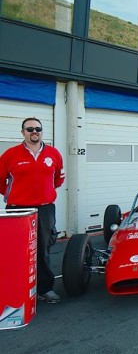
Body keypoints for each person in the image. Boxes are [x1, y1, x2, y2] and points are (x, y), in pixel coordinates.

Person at [0, 118, 65, 304]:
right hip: (17, 210)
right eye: (30, 129)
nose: (34, 131)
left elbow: (58, 179)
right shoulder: (10, 155)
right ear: (23, 132)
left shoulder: (53, 154)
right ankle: (16, 290)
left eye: (38, 128)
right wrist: (12, 195)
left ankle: (45, 289)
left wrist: (45, 193)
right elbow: (0, 179)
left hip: (45, 209)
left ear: (42, 132)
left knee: (42, 249)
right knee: (16, 251)